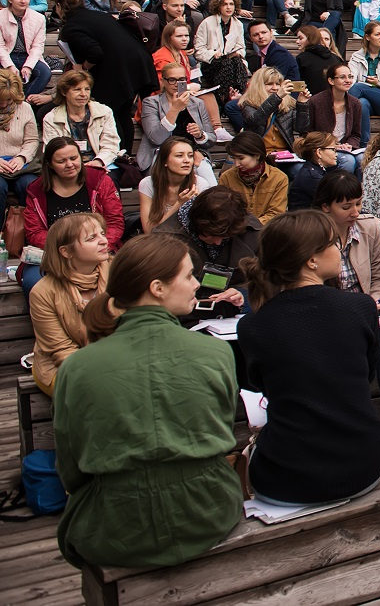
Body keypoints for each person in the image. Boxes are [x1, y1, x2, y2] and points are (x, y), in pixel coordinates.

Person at [51, 233, 243, 568]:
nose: (197, 284)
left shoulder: (78, 367)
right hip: (207, 512)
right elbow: (219, 436)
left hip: (114, 524)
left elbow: (71, 469)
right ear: (157, 288)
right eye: (187, 276)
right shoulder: (215, 353)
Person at [236, 210, 380, 507]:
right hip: (363, 465)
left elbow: (258, 385)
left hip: (287, 476)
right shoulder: (359, 308)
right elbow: (366, 372)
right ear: (311, 260)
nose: (339, 249)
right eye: (332, 243)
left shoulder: (254, 325)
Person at [54, 0, 159, 148]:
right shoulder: (98, 15)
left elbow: (95, 52)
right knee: (122, 112)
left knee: (112, 112)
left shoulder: (71, 26)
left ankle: (120, 155)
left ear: (59, 7)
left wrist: (82, 67)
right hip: (136, 64)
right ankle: (125, 155)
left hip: (118, 70)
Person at [29, 213, 111, 395]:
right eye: (92, 238)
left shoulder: (118, 273)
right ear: (66, 252)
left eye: (103, 234)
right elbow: (61, 351)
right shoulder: (43, 292)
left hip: (116, 360)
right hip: (63, 366)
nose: (104, 241)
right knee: (101, 392)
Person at [23, 138, 125, 260]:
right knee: (31, 277)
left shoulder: (99, 180)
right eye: (61, 161)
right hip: (57, 252)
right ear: (50, 164)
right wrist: (68, 249)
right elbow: (34, 232)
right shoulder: (36, 190)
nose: (69, 165)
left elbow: (115, 223)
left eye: (74, 158)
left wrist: (94, 247)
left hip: (97, 250)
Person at [137, 135, 215, 232]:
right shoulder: (148, 184)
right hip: (159, 241)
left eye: (190, 156)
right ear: (165, 161)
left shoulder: (200, 185)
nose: (186, 160)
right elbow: (149, 231)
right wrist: (179, 204)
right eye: (179, 156)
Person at [217, 130, 289, 224]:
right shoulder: (226, 177)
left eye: (241, 158)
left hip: (266, 231)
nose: (236, 164)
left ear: (257, 155)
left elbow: (276, 213)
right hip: (236, 232)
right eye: (234, 158)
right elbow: (223, 211)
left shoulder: (279, 178)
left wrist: (250, 226)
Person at [0, 0, 50, 98]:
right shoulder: (1, 16)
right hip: (6, 54)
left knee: (44, 73)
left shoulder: (39, 18)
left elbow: (38, 46)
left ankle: (21, 101)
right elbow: (0, 47)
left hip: (27, 55)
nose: (23, 1)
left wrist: (28, 66)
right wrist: (9, 66)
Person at [0, 69, 38, 215]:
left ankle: (27, 231)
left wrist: (22, 158)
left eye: (8, 100)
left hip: (20, 165)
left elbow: (32, 140)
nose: (3, 105)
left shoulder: (24, 108)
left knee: (30, 185)